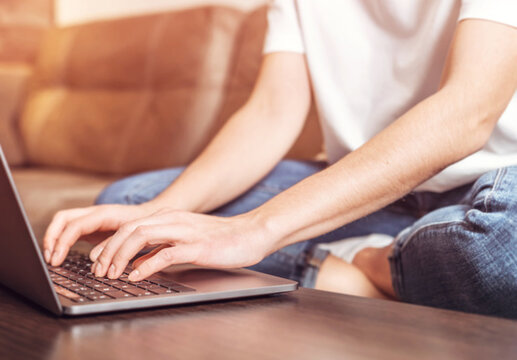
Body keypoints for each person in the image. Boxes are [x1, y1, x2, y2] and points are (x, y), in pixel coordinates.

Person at [42, 0, 517, 319]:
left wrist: (255, 230)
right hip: (357, 188)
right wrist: (154, 214)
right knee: (128, 204)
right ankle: (392, 268)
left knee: (500, 252)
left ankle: (370, 263)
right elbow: (272, 111)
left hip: (494, 187)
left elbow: (467, 112)